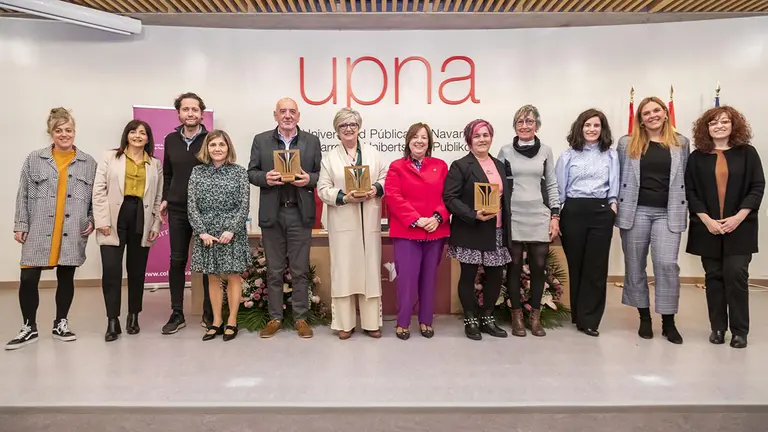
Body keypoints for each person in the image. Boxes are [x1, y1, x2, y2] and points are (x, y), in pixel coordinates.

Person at [6, 108, 97, 351]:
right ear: (51, 133)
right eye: (59, 130)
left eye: (68, 130)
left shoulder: (89, 162)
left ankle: (61, 323)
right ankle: (29, 326)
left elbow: (95, 197)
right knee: (28, 278)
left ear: (74, 132)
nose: (64, 134)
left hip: (72, 228)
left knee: (66, 277)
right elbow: (23, 193)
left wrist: (91, 220)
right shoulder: (35, 158)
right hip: (39, 228)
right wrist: (20, 224)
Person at [685, 106, 764, 349]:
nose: (719, 126)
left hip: (740, 226)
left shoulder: (748, 153)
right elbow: (691, 191)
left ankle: (740, 331)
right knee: (714, 277)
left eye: (724, 122)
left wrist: (738, 217)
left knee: (736, 275)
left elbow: (757, 187)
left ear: (733, 125)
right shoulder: (697, 156)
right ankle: (718, 328)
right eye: (713, 123)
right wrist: (707, 220)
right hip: (707, 227)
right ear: (706, 128)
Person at [616, 96, 690, 345]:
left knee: (667, 265)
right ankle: (644, 318)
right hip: (635, 212)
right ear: (640, 119)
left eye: (656, 110)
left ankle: (668, 322)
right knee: (635, 265)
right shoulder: (627, 143)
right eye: (646, 113)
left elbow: (685, 179)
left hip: (668, 212)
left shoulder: (681, 143)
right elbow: (618, 177)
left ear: (665, 114)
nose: (652, 115)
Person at [248, 97, 322, 339]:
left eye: (292, 111)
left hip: (299, 213)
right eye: (283, 111)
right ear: (275, 115)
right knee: (274, 270)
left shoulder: (312, 141)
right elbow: (251, 172)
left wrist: (309, 180)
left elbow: (321, 174)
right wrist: (264, 179)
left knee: (300, 270)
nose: (288, 115)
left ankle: (300, 318)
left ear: (298, 116)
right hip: (273, 212)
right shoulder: (261, 140)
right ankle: (275, 318)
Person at [317, 107, 387, 340]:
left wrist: (374, 190)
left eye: (352, 125)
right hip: (342, 221)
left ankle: (370, 323)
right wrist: (343, 197)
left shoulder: (374, 154)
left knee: (369, 270)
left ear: (359, 127)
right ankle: (344, 323)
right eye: (343, 125)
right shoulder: (329, 158)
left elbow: (386, 179)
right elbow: (322, 189)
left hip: (368, 218)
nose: (348, 129)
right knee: (344, 270)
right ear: (337, 130)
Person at [92, 120, 164, 342]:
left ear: (148, 138)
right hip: (114, 218)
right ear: (126, 135)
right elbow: (99, 190)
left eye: (143, 133)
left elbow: (158, 198)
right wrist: (102, 220)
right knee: (112, 271)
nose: (137, 136)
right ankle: (112, 320)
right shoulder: (110, 157)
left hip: (140, 218)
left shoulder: (155, 163)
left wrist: (155, 225)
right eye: (133, 131)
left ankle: (133, 316)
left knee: (136, 271)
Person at [443, 119, 511, 341]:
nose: (482, 139)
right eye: (477, 136)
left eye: (486, 135)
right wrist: (473, 214)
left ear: (491, 138)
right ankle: (471, 319)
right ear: (469, 140)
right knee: (469, 275)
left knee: (494, 276)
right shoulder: (461, 165)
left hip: (497, 230)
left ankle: (487, 318)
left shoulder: (500, 165)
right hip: (471, 228)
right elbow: (449, 198)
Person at [497, 104, 560, 337]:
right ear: (515, 126)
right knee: (513, 267)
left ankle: (535, 316)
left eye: (529, 121)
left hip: (539, 216)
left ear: (537, 125)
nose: (525, 125)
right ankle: (516, 317)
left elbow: (551, 184)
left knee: (538, 268)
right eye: (520, 122)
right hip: (514, 216)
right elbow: (498, 186)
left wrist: (555, 215)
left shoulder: (546, 151)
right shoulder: (504, 151)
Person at [555, 108, 618, 338]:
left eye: (596, 125)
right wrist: (557, 215)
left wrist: (612, 206)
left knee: (596, 267)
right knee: (577, 265)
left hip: (600, 211)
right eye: (587, 125)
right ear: (580, 128)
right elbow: (559, 189)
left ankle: (590, 320)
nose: (592, 129)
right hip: (573, 211)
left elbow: (615, 185)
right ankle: (578, 314)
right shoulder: (567, 155)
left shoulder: (610, 155)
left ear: (602, 130)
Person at [384, 122, 449, 340]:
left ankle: (426, 321)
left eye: (424, 137)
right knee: (407, 280)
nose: (419, 141)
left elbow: (448, 196)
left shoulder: (440, 166)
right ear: (408, 141)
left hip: (434, 231)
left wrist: (437, 218)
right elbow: (393, 197)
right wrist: (416, 220)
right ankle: (403, 322)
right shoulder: (396, 166)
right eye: (415, 137)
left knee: (429, 279)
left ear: (429, 142)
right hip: (407, 232)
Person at [188, 130, 251, 342]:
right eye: (213, 145)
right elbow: (192, 205)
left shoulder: (239, 172)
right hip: (207, 233)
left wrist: (232, 229)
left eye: (221, 145)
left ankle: (232, 320)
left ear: (228, 148)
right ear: (207, 148)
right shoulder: (197, 172)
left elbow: (244, 204)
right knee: (212, 278)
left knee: (233, 276)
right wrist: (202, 231)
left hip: (231, 232)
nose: (217, 149)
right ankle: (216, 321)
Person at [160, 92, 213, 335]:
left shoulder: (212, 139)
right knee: (177, 260)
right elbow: (168, 174)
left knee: (206, 261)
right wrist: (164, 199)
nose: (190, 113)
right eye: (185, 109)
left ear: (202, 113)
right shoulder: (170, 140)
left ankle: (209, 311)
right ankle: (177, 312)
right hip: (179, 208)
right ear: (179, 113)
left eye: (195, 109)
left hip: (205, 209)